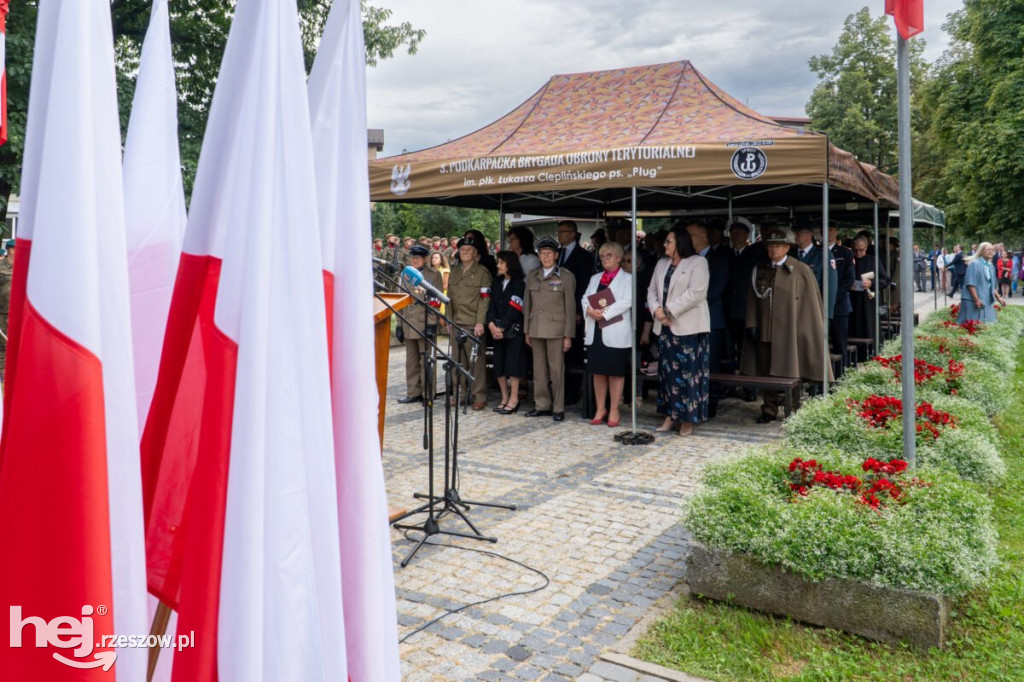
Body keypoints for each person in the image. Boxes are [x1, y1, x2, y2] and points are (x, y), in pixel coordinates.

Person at [742, 227, 831, 423]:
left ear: (787, 247)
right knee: (766, 372)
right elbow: (752, 299)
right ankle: (769, 409)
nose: (773, 250)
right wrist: (752, 323)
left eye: (778, 246)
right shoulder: (760, 269)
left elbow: (810, 304)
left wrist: (804, 331)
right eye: (770, 246)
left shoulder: (800, 270)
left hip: (790, 332)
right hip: (765, 329)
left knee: (791, 370)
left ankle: (794, 408)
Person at [647, 224, 710, 436]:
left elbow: (696, 293)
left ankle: (687, 419)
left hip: (688, 328)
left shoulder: (698, 262)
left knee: (688, 375)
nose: (665, 245)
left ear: (680, 242)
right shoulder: (661, 263)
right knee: (667, 375)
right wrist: (657, 311)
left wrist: (669, 311)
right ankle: (669, 415)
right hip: (664, 327)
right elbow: (651, 290)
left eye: (669, 241)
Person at [523, 236, 577, 422]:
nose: (545, 256)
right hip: (536, 327)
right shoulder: (533, 275)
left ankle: (558, 408)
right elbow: (527, 305)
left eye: (549, 253)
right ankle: (542, 405)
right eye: (542, 253)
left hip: (556, 330)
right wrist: (526, 330)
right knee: (538, 370)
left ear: (556, 255)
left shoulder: (566, 276)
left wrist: (568, 335)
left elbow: (570, 308)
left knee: (556, 371)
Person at [581, 242, 633, 427]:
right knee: (598, 372)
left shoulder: (627, 278)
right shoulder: (595, 278)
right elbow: (584, 297)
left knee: (615, 372)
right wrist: (588, 310)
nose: (605, 259)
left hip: (616, 330)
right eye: (602, 256)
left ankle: (614, 410)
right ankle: (600, 408)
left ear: (618, 258)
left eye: (608, 256)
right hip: (596, 330)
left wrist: (604, 312)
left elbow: (627, 301)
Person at [448, 235, 493, 410]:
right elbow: (449, 298)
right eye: (463, 249)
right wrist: (449, 320)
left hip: (473, 324)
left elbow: (485, 300)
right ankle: (460, 394)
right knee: (457, 362)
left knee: (476, 362)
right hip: (456, 322)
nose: (465, 252)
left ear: (476, 253)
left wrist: (480, 322)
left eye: (469, 250)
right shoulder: (454, 271)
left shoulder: (482, 273)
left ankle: (478, 395)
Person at [395, 245, 443, 404]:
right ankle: (413, 392)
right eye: (413, 257)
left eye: (418, 258)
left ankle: (428, 393)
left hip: (424, 323)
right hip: (409, 322)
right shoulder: (405, 275)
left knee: (427, 360)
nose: (415, 260)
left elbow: (435, 301)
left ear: (425, 259)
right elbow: (400, 302)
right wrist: (399, 325)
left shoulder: (433, 275)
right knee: (411, 361)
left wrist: (431, 323)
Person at [555, 220, 593, 405]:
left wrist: (578, 311)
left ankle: (573, 391)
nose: (559, 235)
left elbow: (584, 285)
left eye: (562, 232)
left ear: (572, 234)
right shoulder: (557, 253)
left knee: (574, 351)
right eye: (558, 231)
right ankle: (559, 389)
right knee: (558, 352)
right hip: (556, 310)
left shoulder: (583, 256)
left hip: (574, 310)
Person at [487, 251, 527, 415]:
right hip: (496, 330)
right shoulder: (496, 282)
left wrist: (502, 327)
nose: (498, 265)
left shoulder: (519, 284)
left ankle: (514, 398)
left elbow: (515, 307)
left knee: (513, 364)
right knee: (499, 364)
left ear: (509, 264)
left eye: (501, 262)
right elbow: (491, 305)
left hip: (512, 331)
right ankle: (504, 397)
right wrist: (491, 324)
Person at [848, 235, 888, 355]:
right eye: (856, 250)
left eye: (861, 250)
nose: (858, 253)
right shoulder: (849, 260)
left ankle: (873, 351)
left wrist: (872, 283)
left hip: (868, 302)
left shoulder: (873, 261)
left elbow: (885, 280)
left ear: (866, 248)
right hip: (853, 300)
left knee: (870, 326)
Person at [958, 242, 1005, 323]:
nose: (991, 251)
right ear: (981, 251)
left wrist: (998, 298)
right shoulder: (974, 264)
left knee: (988, 324)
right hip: (973, 300)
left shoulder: (990, 265)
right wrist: (976, 300)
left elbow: (991, 285)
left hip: (986, 299)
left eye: (992, 250)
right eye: (988, 249)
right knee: (971, 326)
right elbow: (970, 284)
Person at [830, 228, 856, 364]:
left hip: (839, 304)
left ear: (835, 232)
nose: (826, 232)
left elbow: (849, 279)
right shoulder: (818, 252)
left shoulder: (845, 253)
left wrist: (832, 297)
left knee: (840, 342)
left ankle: (841, 375)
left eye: (830, 230)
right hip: (818, 304)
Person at [0, 239, 14, 377]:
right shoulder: (1, 267)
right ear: (11, 250)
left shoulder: (24, 266)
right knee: (3, 346)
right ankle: (3, 377)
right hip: (3, 314)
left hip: (19, 314)